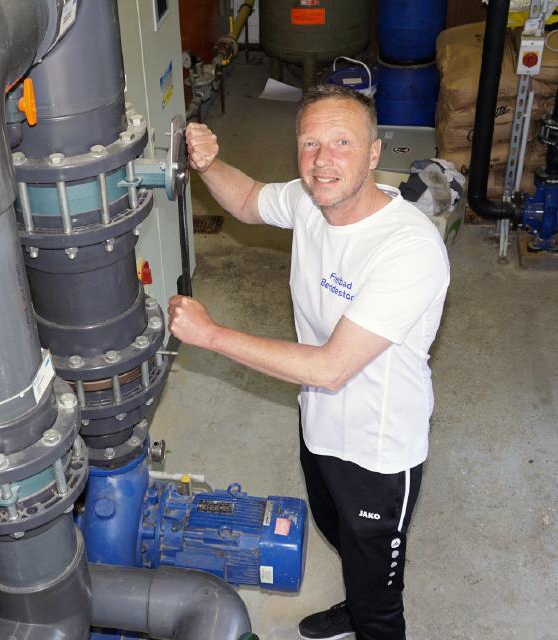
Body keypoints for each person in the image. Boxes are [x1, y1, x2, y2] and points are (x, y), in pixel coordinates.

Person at [168, 84, 450, 640]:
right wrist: (208, 162)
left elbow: (330, 367)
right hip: (319, 420)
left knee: (379, 589)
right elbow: (248, 200)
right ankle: (356, 606)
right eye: (310, 143)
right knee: (335, 529)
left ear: (373, 154)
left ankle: (370, 619)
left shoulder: (409, 250)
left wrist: (213, 335)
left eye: (342, 142)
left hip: (378, 450)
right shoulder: (312, 197)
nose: (323, 160)